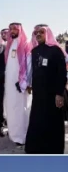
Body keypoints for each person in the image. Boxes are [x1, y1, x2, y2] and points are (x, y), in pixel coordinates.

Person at [25, 24, 67, 154]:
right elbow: (34, 71)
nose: (38, 34)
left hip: (53, 95)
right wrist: (29, 84)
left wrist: (59, 94)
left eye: (41, 32)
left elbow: (61, 73)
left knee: (53, 124)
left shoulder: (56, 50)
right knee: (38, 122)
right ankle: (36, 149)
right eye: (36, 32)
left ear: (47, 33)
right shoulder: (34, 51)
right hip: (38, 96)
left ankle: (53, 151)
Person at [4, 23, 30, 146]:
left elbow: (28, 65)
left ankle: (21, 136)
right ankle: (13, 134)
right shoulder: (9, 45)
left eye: (15, 28)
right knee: (11, 107)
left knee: (20, 108)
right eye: (11, 29)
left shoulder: (25, 44)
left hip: (20, 84)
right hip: (9, 84)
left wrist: (23, 82)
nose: (13, 31)